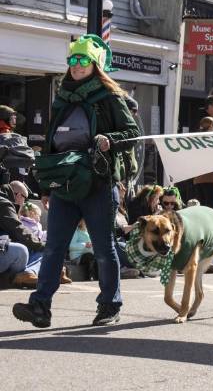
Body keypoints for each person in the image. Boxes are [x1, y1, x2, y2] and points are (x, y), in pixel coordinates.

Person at [12, 33, 139, 328]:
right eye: (72, 59)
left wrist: (110, 139)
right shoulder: (63, 97)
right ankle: (40, 307)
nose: (76, 65)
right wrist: (45, 186)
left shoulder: (110, 97)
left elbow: (132, 133)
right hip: (65, 185)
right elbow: (50, 142)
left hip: (98, 184)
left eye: (83, 59)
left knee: (104, 248)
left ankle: (110, 304)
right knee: (54, 247)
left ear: (95, 64)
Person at [0, 182, 48, 288]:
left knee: (36, 251)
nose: (25, 203)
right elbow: (19, 230)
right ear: (18, 195)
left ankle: (28, 274)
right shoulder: (4, 203)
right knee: (21, 251)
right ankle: (28, 273)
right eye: (25, 199)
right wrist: (43, 246)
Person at [192, 116, 213, 209]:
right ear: (211, 127)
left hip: (198, 180)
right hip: (211, 180)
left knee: (201, 208)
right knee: (210, 209)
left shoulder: (196, 141)